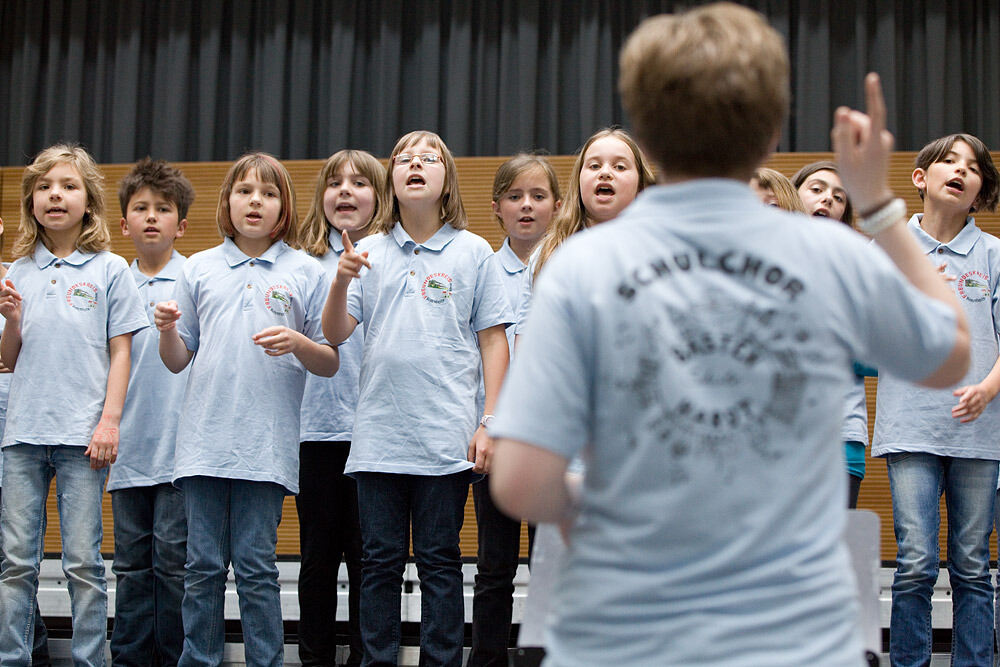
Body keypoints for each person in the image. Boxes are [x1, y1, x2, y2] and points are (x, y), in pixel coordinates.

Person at [488, 3, 972, 665]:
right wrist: (880, 204)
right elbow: (950, 352)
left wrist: (603, 505)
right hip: (796, 640)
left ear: (647, 142)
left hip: (621, 634)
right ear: (773, 132)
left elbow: (518, 482)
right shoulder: (832, 255)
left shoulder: (580, 265)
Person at [322, 130, 512, 667]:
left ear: (446, 179)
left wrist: (489, 421)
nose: (415, 165)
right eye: (404, 158)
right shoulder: (368, 252)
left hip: (444, 437)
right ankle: (377, 660)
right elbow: (334, 333)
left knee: (440, 561)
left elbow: (494, 340)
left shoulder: (474, 251)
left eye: (429, 159)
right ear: (393, 181)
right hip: (379, 438)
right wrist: (340, 280)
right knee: (379, 562)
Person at [156, 152, 338, 667]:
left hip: (267, 446)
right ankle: (201, 659)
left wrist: (299, 343)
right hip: (202, 445)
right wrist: (167, 329)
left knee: (257, 566)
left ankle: (266, 660)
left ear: (285, 208)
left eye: (268, 192)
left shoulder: (306, 271)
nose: (254, 201)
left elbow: (329, 361)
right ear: (227, 202)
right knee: (203, 567)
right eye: (244, 191)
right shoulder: (198, 268)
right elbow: (176, 361)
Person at [0, 144, 148, 667]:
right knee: (16, 561)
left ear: (89, 202)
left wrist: (109, 422)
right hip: (21, 437)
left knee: (84, 562)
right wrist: (12, 322)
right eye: (43, 187)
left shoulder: (110, 270)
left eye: (67, 186)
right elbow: (8, 359)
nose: (54, 195)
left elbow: (122, 350)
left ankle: (91, 659)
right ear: (31, 202)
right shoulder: (16, 271)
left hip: (83, 437)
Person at [870, 132, 1000, 666]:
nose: (960, 170)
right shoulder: (888, 249)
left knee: (972, 563)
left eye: (973, 168)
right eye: (949, 161)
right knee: (916, 561)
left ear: (980, 193)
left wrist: (987, 388)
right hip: (910, 426)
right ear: (920, 178)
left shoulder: (993, 255)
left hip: (980, 431)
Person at [294, 149, 388, 667]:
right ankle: (315, 658)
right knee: (317, 560)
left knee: (371, 561)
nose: (345, 191)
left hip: (376, 434)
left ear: (381, 195)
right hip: (318, 433)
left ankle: (367, 657)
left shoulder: (394, 256)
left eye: (359, 182)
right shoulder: (302, 263)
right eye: (335, 183)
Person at [468, 154, 561, 667]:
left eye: (538, 196)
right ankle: (486, 658)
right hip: (499, 434)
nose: (526, 206)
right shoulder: (481, 269)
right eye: (514, 196)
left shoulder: (568, 262)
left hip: (556, 442)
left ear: (557, 206)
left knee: (550, 563)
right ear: (497, 208)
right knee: (494, 564)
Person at [109, 158, 195, 666]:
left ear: (180, 224)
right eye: (140, 208)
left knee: (173, 562)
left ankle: (174, 656)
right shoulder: (113, 280)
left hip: (180, 449)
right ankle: (130, 657)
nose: (150, 217)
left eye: (162, 209)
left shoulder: (196, 276)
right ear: (124, 223)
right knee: (131, 564)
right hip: (126, 450)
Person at [794, 161, 870, 507]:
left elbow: (882, 357)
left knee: (833, 556)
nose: (827, 200)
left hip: (839, 435)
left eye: (839, 198)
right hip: (769, 438)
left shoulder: (859, 266)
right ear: (791, 196)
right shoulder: (756, 260)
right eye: (816, 189)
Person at [0, 216, 52, 667]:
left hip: (16, 433)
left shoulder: (16, 278)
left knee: (14, 555)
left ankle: (30, 650)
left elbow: (16, 358)